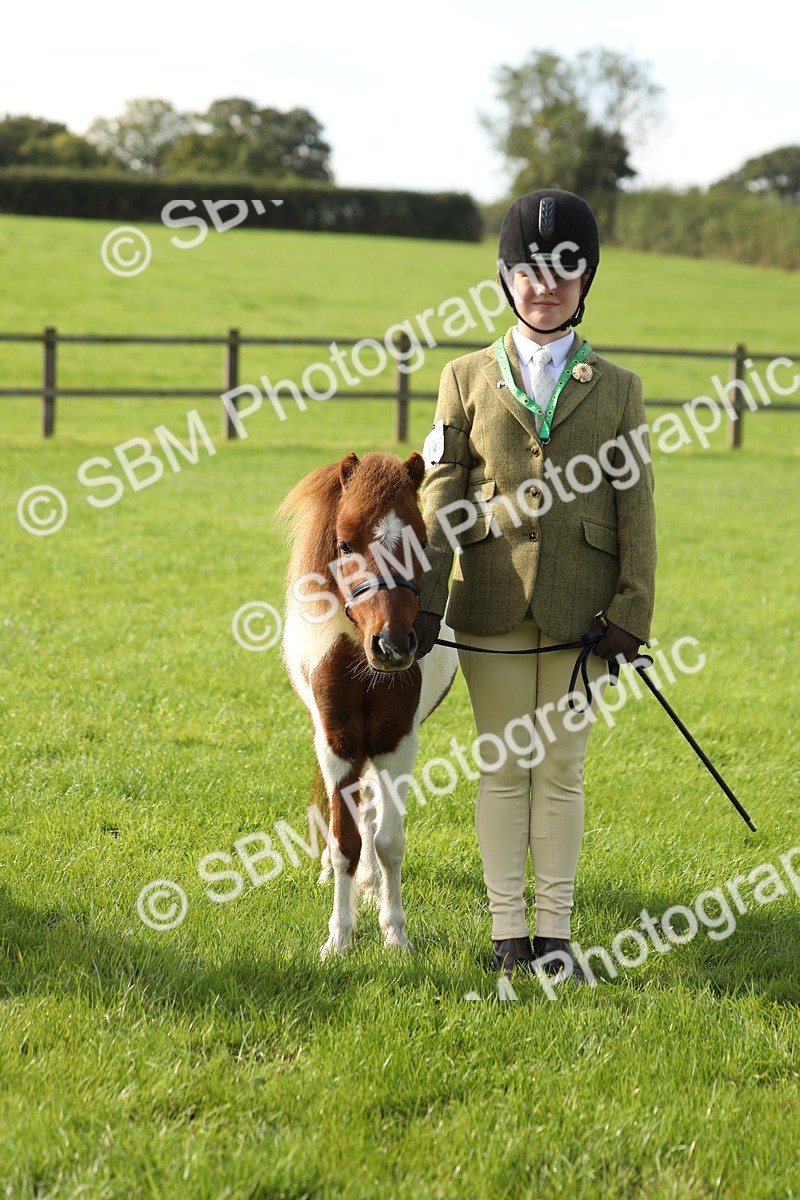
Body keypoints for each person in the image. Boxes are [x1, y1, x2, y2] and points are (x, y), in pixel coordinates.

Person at [413, 189, 657, 983]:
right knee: (501, 766)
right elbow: (441, 493)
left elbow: (638, 508)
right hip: (488, 602)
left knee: (560, 769)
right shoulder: (463, 377)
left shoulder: (617, 387)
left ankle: (554, 936)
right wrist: (427, 586)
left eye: (565, 269)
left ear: (587, 279)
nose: (545, 284)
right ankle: (505, 935)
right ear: (504, 278)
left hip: (584, 610)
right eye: (528, 270)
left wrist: (632, 611)